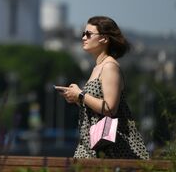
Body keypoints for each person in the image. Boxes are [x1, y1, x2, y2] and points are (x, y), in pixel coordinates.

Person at [56, 16, 149, 159]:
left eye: (88, 34)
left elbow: (110, 108)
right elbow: (96, 105)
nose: (83, 38)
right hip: (92, 144)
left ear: (104, 39)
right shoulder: (98, 68)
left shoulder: (110, 67)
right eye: (83, 34)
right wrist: (76, 97)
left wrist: (81, 95)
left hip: (110, 148)